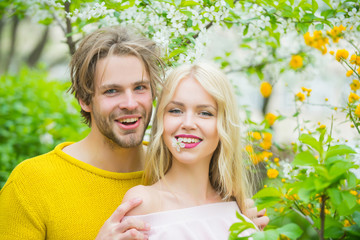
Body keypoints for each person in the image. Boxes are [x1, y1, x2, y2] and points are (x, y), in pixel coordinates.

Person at [0, 26, 268, 240]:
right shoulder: (32, 183)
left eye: (140, 87)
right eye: (112, 90)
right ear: (85, 99)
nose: (130, 103)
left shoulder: (184, 166)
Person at [122, 62, 259, 239]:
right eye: (176, 110)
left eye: (205, 113)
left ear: (224, 124)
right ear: (162, 119)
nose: (187, 123)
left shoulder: (238, 209)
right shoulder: (142, 203)